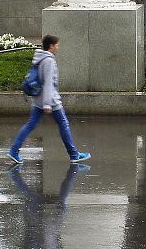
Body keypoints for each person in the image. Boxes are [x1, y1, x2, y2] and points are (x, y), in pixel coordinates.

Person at [8, 36, 89, 165]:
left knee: (30, 125)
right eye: (57, 45)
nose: (58, 47)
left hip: (39, 99)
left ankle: (13, 151)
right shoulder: (49, 61)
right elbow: (48, 84)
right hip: (50, 100)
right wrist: (47, 103)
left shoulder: (40, 57)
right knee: (63, 124)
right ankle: (74, 155)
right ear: (51, 46)